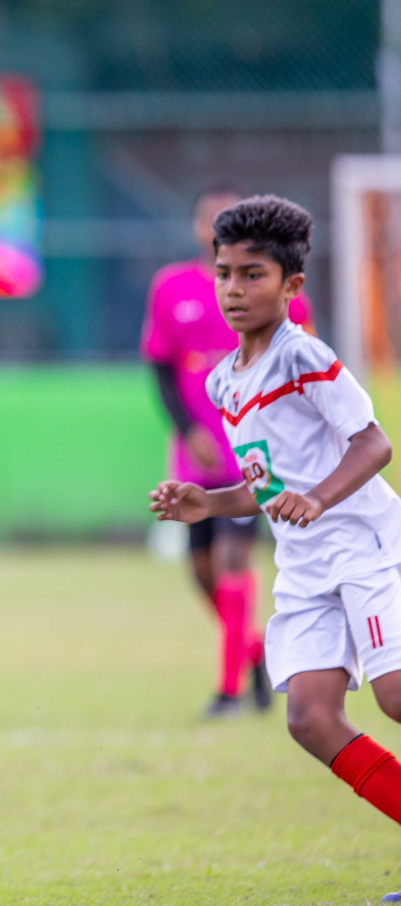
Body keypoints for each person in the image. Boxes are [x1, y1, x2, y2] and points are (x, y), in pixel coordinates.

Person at [151, 195, 401, 903]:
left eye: (252, 275)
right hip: (304, 564)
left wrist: (319, 499)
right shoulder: (223, 379)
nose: (233, 289)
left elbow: (372, 442)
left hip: (363, 547)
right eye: (224, 274)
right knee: (308, 718)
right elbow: (267, 487)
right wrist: (206, 500)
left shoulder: (304, 356)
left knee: (393, 696)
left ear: (291, 286)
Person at [142, 187, 314, 718]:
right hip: (199, 456)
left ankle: (228, 691)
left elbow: (305, 372)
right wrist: (188, 428)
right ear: (197, 227)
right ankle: (256, 651)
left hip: (254, 456)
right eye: (207, 217)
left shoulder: (277, 293)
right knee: (200, 569)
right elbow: (160, 366)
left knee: (232, 558)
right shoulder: (172, 287)